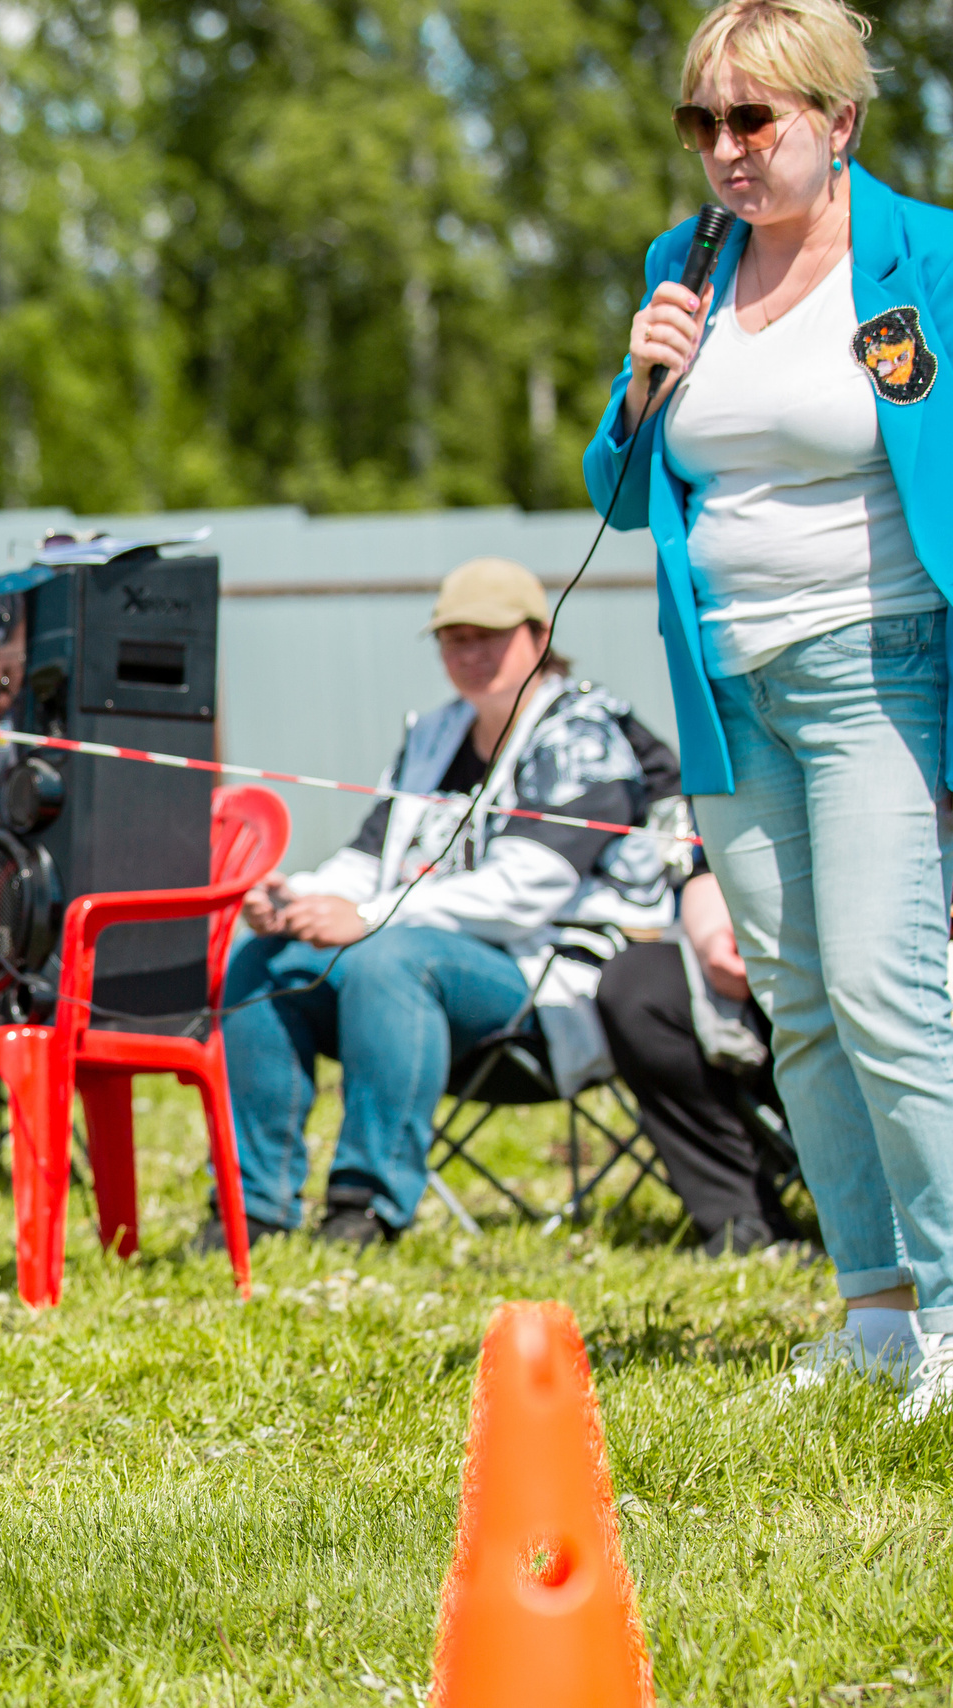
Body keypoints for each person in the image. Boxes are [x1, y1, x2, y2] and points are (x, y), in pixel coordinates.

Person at [584, 0, 953, 1417]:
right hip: (728, 682)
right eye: (703, 124)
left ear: (839, 120)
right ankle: (874, 1309)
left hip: (884, 669)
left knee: (886, 994)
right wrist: (638, 385)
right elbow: (620, 501)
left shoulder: (924, 260)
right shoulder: (685, 265)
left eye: (755, 120)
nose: (725, 151)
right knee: (794, 1002)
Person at [223, 559, 675, 1246]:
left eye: (489, 635)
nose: (470, 655)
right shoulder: (435, 734)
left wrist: (370, 916)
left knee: (391, 959)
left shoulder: (581, 732)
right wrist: (303, 898)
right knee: (264, 959)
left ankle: (363, 1208)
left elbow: (529, 888)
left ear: (539, 634)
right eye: (453, 638)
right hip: (418, 975)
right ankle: (253, 1207)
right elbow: (371, 856)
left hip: (546, 984)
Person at [594, 858, 802, 1254]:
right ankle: (742, 1221)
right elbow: (707, 863)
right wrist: (712, 941)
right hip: (756, 965)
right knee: (637, 986)